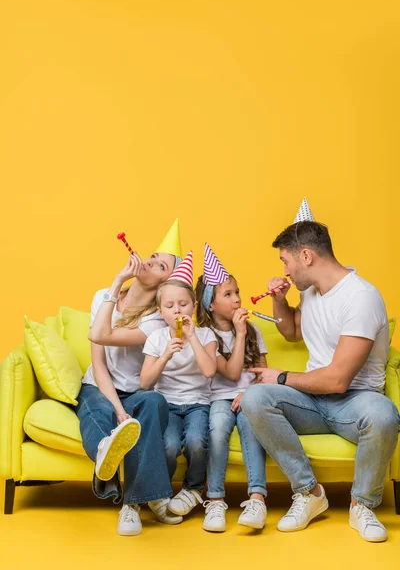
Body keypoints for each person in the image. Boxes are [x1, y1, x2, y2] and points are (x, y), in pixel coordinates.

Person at [241, 203, 399, 543]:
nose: (284, 270)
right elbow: (293, 332)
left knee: (384, 415)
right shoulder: (312, 292)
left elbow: (337, 380)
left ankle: (363, 504)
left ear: (307, 256)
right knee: (255, 397)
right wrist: (281, 301)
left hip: (354, 403)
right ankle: (309, 493)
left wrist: (282, 377)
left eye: (286, 261)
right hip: (313, 402)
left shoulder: (361, 297)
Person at [77, 220, 185, 535]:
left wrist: (127, 408)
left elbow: (102, 333)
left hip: (134, 392)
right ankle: (105, 451)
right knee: (99, 409)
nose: (149, 261)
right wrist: (116, 283)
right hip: (99, 386)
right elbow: (98, 359)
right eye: (151, 256)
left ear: (165, 280)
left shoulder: (155, 322)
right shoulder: (103, 297)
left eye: (160, 264)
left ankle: (131, 505)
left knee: (153, 400)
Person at [195, 244, 268, 532]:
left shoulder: (254, 330)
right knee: (218, 427)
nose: (237, 299)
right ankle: (214, 500)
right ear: (211, 304)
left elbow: (263, 373)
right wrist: (238, 334)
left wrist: (249, 394)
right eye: (228, 294)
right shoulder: (206, 335)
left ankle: (257, 497)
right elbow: (232, 372)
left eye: (237, 292)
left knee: (252, 429)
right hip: (219, 399)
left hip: (250, 398)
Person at [140, 252, 218, 518]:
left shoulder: (206, 334)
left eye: (183, 304)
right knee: (169, 446)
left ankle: (194, 488)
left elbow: (209, 371)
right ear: (160, 312)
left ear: (194, 307)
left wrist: (192, 338)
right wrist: (165, 355)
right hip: (168, 405)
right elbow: (145, 381)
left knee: (196, 442)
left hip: (198, 404)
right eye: (170, 305)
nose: (177, 310)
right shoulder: (157, 339)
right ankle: (160, 491)